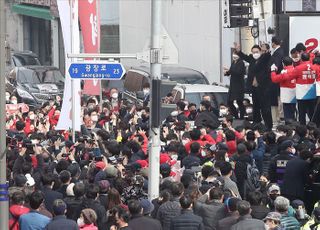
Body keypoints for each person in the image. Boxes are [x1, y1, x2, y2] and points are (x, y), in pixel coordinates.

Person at [235, 43, 273, 130]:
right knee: (256, 106)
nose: (255, 54)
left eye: (256, 52)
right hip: (254, 87)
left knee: (265, 108)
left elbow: (267, 56)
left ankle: (268, 125)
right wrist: (238, 51)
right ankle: (256, 123)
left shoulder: (265, 58)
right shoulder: (252, 59)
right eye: (253, 52)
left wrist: (265, 51)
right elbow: (245, 57)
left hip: (264, 87)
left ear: (260, 51)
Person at [224, 51, 246, 119]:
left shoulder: (241, 62)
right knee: (229, 102)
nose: (234, 56)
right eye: (233, 54)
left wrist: (229, 70)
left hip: (239, 85)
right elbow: (231, 71)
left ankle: (241, 116)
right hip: (233, 85)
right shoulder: (233, 62)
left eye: (236, 54)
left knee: (239, 101)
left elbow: (238, 72)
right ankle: (236, 116)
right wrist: (226, 72)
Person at [270, 36, 285, 125]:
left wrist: (272, 72)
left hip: (276, 78)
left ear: (273, 43)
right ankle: (277, 117)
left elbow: (276, 65)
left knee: (277, 97)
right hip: (277, 78)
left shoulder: (278, 52)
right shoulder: (278, 51)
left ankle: (278, 117)